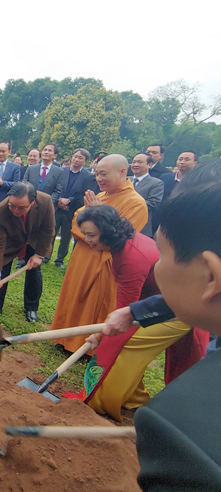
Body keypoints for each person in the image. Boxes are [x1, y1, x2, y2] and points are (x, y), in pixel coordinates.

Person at [96, 177, 221, 490]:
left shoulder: (189, 435)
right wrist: (132, 312)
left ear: (210, 277)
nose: (156, 260)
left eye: (162, 254)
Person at [74, 205, 204, 422]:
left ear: (107, 231)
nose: (87, 239)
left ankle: (103, 402)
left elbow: (126, 307)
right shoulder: (122, 244)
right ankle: (135, 399)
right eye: (85, 234)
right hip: (155, 304)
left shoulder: (131, 257)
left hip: (176, 311)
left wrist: (100, 336)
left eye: (91, 235)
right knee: (122, 342)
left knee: (127, 346)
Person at [50, 154, 148, 353]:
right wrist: (90, 226)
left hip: (104, 262)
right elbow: (77, 222)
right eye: (97, 174)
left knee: (94, 302)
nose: (99, 179)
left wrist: (96, 215)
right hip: (82, 258)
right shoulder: (101, 196)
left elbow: (121, 236)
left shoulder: (135, 203)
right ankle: (64, 338)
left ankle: (85, 346)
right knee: (74, 296)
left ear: (122, 172)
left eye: (103, 174)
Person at [0, 182, 55, 322]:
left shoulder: (45, 201)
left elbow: (48, 230)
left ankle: (31, 308)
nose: (16, 211)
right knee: (2, 271)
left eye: (21, 208)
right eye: (12, 205)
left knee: (34, 273)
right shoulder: (0, 211)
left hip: (34, 239)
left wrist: (39, 255)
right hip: (11, 240)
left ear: (32, 202)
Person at [54, 149, 97, 268]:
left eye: (80, 158)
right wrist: (59, 200)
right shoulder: (61, 171)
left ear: (85, 161)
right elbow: (56, 187)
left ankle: (59, 259)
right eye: (75, 156)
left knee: (66, 236)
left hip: (72, 210)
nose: (76, 160)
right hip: (57, 206)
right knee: (51, 231)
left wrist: (69, 200)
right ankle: (46, 256)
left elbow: (83, 193)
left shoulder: (87, 176)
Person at [130, 152, 164, 236]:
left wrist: (129, 202)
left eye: (139, 162)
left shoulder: (156, 183)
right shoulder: (125, 180)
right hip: (121, 225)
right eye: (134, 162)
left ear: (149, 165)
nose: (135, 165)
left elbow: (153, 203)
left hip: (141, 228)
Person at [23, 143, 64, 208]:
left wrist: (47, 202)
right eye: (45, 150)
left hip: (47, 206)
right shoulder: (31, 169)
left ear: (55, 155)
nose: (46, 152)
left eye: (49, 150)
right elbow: (24, 185)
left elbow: (58, 191)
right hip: (29, 204)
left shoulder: (59, 171)